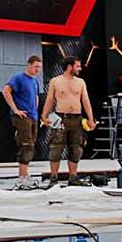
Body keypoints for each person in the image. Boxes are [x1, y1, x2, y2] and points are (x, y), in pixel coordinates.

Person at [41, 56, 95, 187]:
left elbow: (86, 101)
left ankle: (73, 177)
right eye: (77, 66)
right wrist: (44, 115)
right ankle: (54, 177)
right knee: (56, 148)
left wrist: (90, 118)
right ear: (69, 67)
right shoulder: (55, 81)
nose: (80, 68)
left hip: (77, 118)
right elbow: (50, 99)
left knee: (76, 148)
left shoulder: (81, 82)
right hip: (60, 118)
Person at [2, 55, 43, 190]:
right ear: (29, 65)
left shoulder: (35, 81)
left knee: (31, 145)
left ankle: (25, 175)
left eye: (39, 67)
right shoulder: (18, 78)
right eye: (36, 66)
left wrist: (35, 112)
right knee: (26, 145)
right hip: (22, 117)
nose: (37, 70)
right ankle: (22, 178)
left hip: (33, 117)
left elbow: (36, 97)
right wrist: (15, 109)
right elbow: (6, 91)